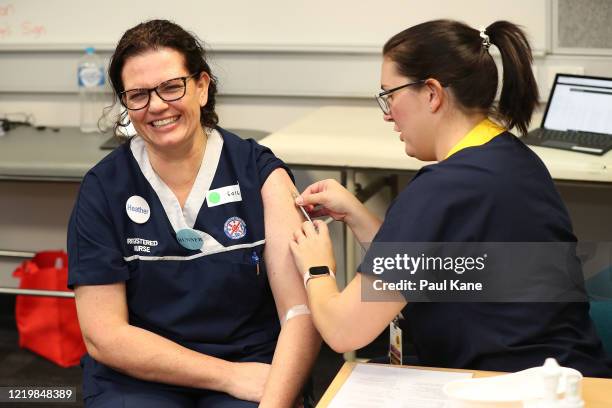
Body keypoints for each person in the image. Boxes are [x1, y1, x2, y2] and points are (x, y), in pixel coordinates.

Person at [289, 19, 612, 377]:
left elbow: (343, 330)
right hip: (570, 373)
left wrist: (316, 267)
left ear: (431, 93)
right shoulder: (510, 156)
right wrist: (356, 213)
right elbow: (438, 265)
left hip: (509, 387)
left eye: (390, 95)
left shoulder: (443, 189)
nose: (388, 115)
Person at [67, 19, 320, 407]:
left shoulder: (260, 174)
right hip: (143, 373)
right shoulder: (105, 188)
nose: (156, 106)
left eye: (171, 87)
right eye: (137, 95)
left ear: (202, 87)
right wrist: (226, 376)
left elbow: (299, 313)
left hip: (251, 361)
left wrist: (269, 395)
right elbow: (105, 335)